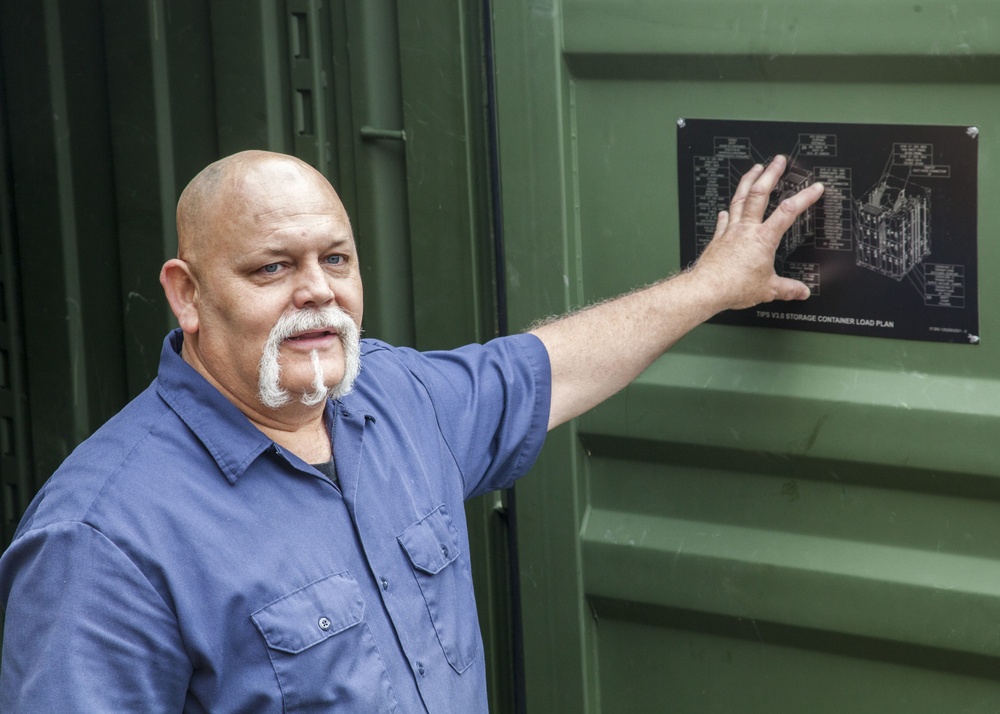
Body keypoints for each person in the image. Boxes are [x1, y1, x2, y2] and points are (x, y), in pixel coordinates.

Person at [0, 150, 822, 712]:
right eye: (272, 267)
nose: (317, 293)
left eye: (338, 259)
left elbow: (548, 368)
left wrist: (711, 286)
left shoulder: (395, 401)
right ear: (186, 294)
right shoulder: (100, 540)